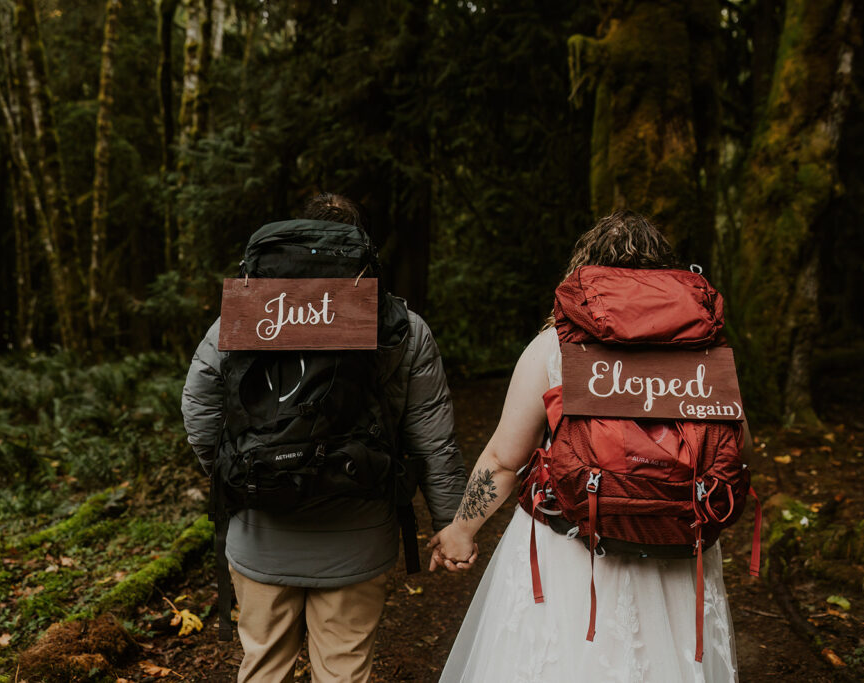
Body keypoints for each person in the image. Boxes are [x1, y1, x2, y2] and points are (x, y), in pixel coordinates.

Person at [429, 210, 741, 682]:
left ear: (585, 270)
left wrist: (461, 530)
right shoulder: (704, 350)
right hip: (676, 548)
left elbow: (504, 458)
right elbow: (739, 449)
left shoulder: (555, 345)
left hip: (574, 554)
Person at [181, 193, 467, 683]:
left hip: (259, 531)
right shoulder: (401, 326)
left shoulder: (241, 318)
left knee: (263, 670)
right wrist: (452, 522)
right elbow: (432, 435)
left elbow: (199, 407)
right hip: (358, 536)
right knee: (342, 671)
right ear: (362, 254)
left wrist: (235, 478)